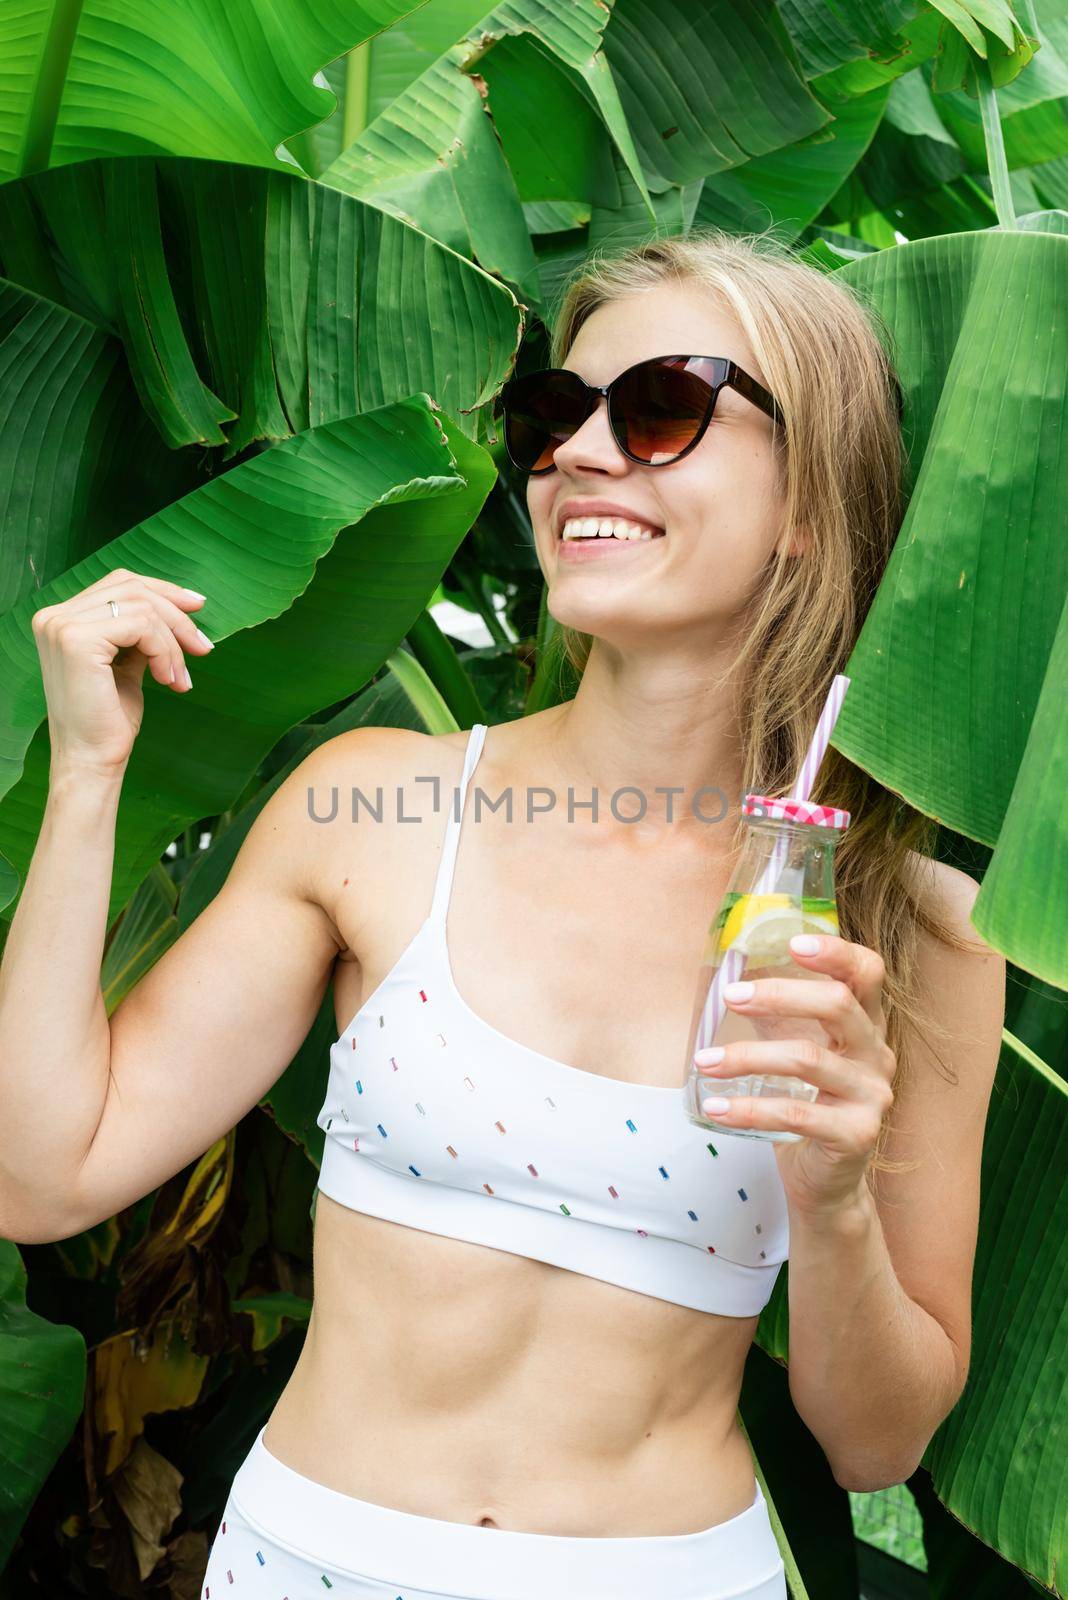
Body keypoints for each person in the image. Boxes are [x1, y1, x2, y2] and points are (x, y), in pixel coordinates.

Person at [0, 229, 1005, 1600]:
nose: (581, 453)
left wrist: (831, 1198)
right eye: (555, 415)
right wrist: (88, 781)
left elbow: (875, 1443)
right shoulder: (376, 810)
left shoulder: (905, 925)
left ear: (812, 507)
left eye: (662, 408)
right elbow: (40, 1173)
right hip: (310, 1567)